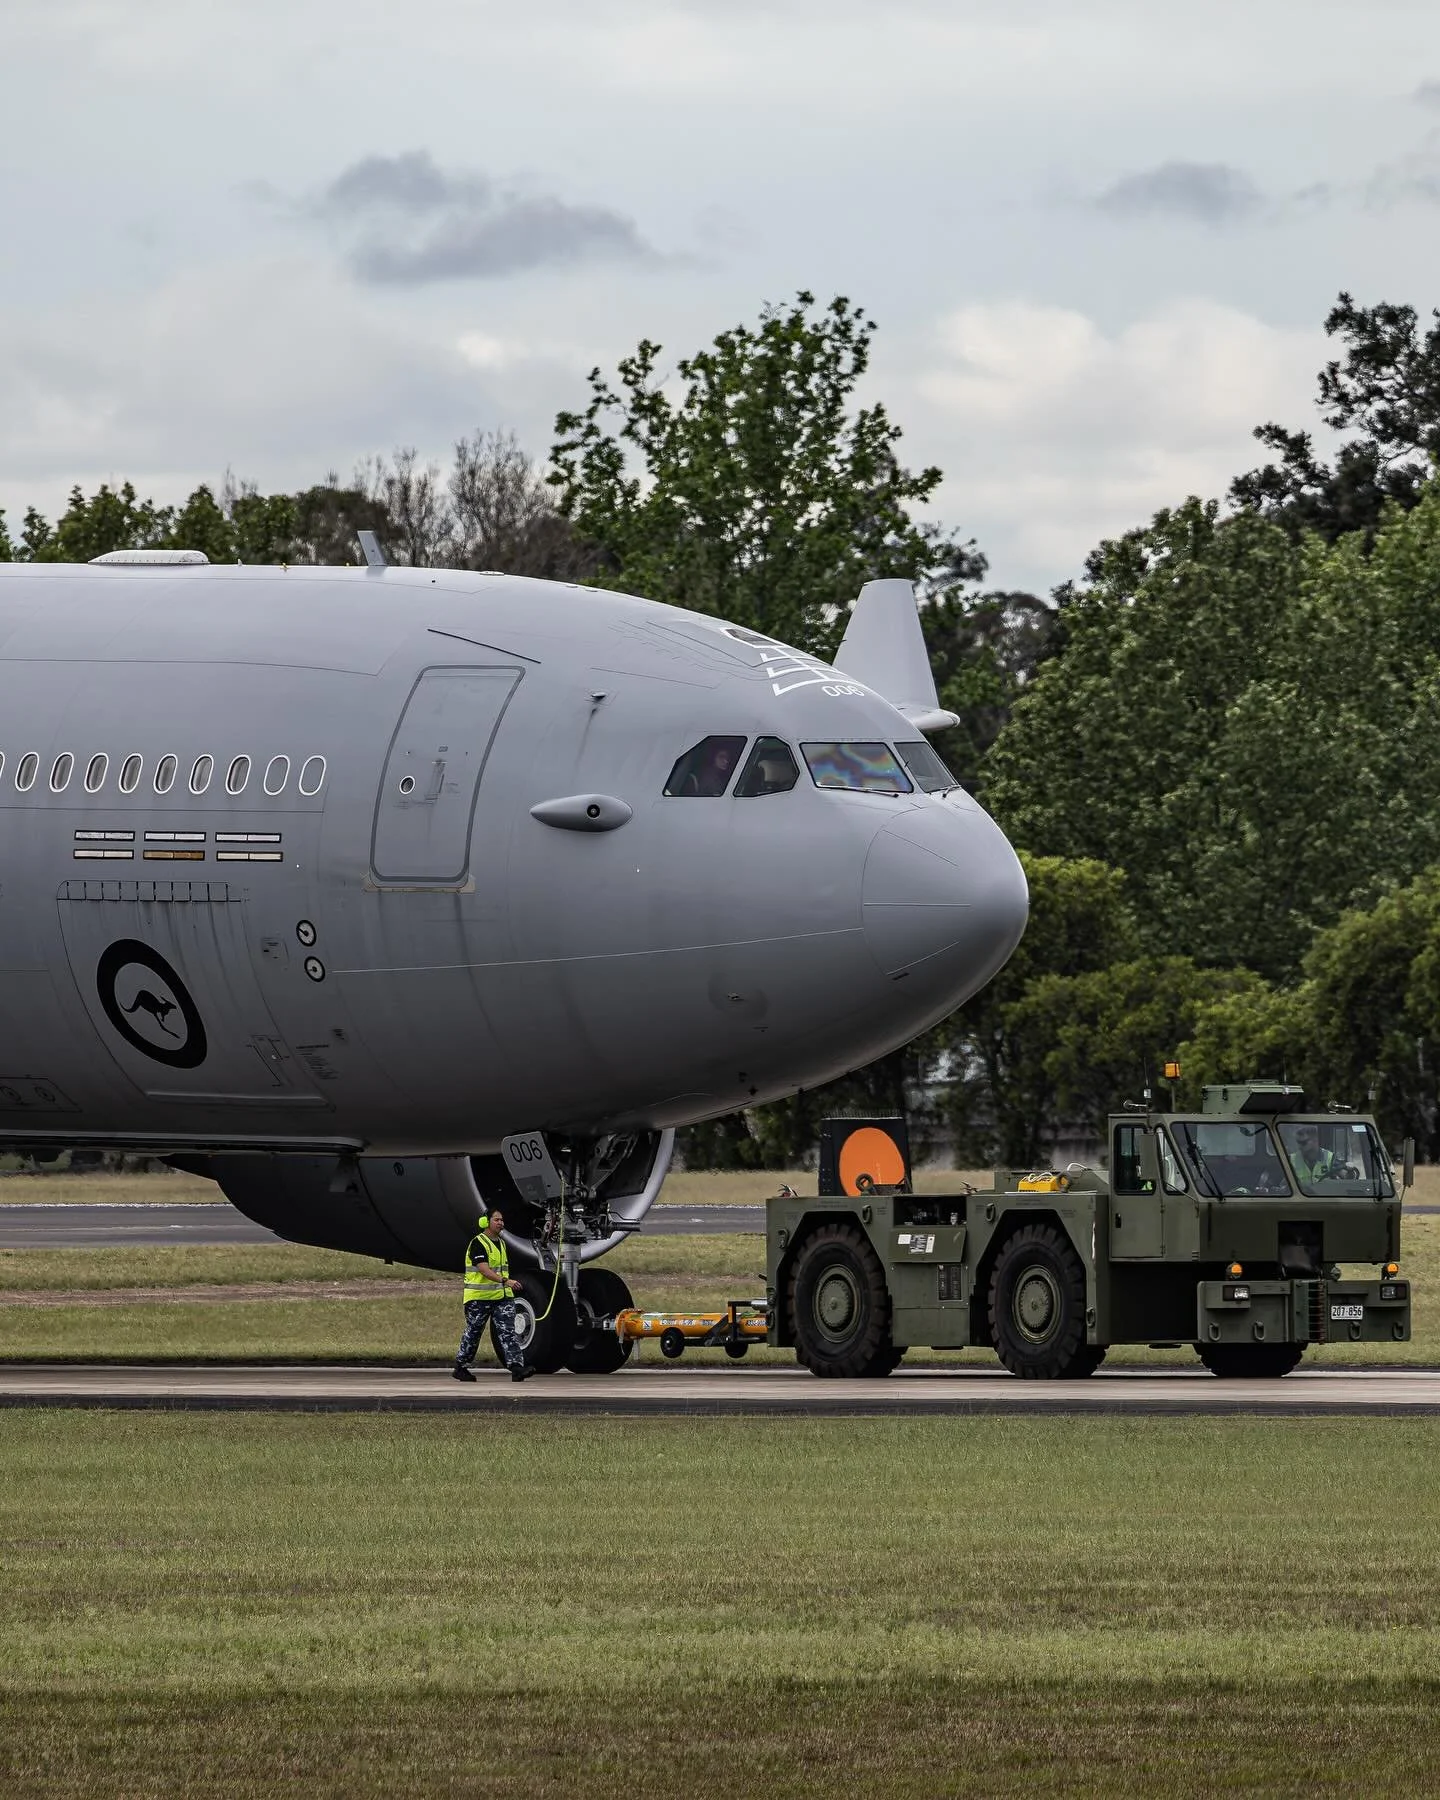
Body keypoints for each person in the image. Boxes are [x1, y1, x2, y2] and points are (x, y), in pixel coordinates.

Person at [453, 1208, 534, 1382]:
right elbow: (483, 1269)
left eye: (502, 1220)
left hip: (501, 1297)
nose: (500, 1223)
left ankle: (516, 1367)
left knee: (508, 1332)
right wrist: (506, 1281)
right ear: (485, 1222)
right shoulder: (478, 1243)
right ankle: (461, 1366)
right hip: (479, 1298)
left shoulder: (502, 1244)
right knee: (473, 1333)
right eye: (496, 1220)